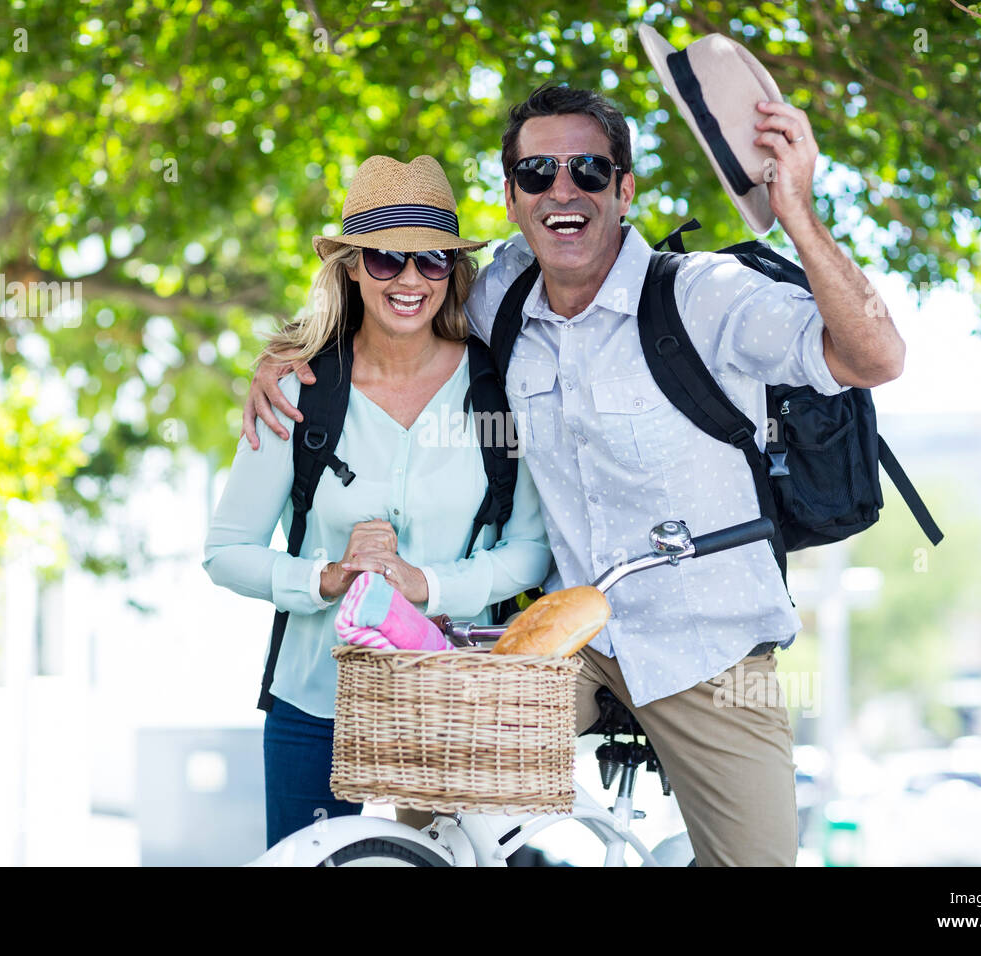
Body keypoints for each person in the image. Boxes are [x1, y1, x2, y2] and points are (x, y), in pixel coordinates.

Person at [243, 85, 906, 865]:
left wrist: (796, 209)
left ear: (624, 190)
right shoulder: (501, 294)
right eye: (539, 173)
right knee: (429, 781)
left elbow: (875, 358)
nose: (564, 189)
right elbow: (396, 301)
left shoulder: (700, 297)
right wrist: (288, 357)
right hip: (571, 642)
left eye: (590, 170)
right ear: (513, 195)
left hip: (709, 651)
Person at [203, 154, 552, 849]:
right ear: (354, 266)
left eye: (431, 262)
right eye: (388, 260)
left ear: (453, 271)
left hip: (455, 697)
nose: (410, 280)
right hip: (316, 699)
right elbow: (224, 553)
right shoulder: (300, 389)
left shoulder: (497, 388)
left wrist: (429, 584)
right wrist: (323, 578)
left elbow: (532, 552)